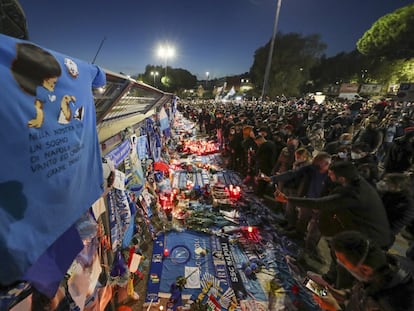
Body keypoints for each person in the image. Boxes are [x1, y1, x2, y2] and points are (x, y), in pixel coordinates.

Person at [313, 231, 414, 311]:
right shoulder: (383, 263)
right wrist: (344, 294)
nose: (341, 264)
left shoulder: (393, 303)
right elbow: (366, 286)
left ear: (365, 269)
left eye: (343, 262)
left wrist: (334, 308)